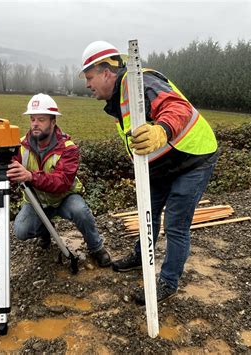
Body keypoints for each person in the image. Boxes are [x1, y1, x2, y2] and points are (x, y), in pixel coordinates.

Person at [80, 41, 218, 304]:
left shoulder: (142, 81)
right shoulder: (119, 97)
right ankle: (141, 257)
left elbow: (178, 108)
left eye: (90, 77)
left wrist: (161, 131)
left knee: (176, 224)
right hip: (160, 165)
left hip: (193, 158)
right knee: (148, 212)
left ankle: (167, 282)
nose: (87, 84)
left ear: (107, 71)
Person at [6, 93, 111, 267]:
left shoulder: (68, 148)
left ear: (53, 122)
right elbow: (11, 169)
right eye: (32, 119)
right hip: (36, 201)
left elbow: (62, 182)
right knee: (21, 230)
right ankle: (46, 230)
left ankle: (96, 248)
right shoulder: (20, 145)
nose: (35, 124)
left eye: (41, 119)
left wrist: (31, 176)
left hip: (64, 198)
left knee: (81, 212)